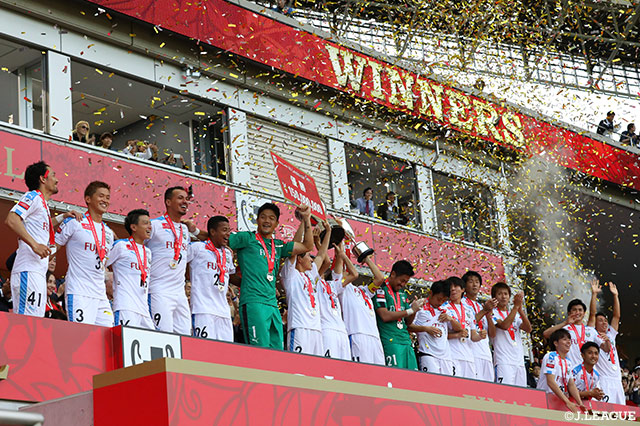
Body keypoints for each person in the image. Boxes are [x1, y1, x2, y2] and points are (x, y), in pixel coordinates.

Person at [228, 203, 314, 349]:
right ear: (257, 220)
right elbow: (219, 238)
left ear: (277, 224)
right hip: (253, 302)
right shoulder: (247, 238)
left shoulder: (278, 246)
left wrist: (306, 218)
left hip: (273, 306)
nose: (267, 221)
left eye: (271, 218)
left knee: (277, 353)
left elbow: (307, 246)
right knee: (259, 351)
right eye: (263, 217)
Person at [5, 161, 79, 317]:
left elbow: (40, 225)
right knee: (26, 323)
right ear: (43, 179)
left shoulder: (42, 203)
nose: (57, 180)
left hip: (37, 272)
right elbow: (12, 219)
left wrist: (63, 216)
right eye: (53, 175)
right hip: (28, 270)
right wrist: (35, 245)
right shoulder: (33, 196)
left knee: (35, 322)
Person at [56, 181, 115, 326]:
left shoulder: (108, 232)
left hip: (100, 295)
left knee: (107, 335)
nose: (105, 200)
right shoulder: (75, 222)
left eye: (107, 197)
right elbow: (52, 248)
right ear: (88, 199)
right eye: (101, 196)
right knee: (80, 335)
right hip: (79, 291)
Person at [146, 187, 199, 334]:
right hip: (159, 290)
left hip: (180, 293)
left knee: (185, 338)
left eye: (186, 199)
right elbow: (137, 245)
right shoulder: (154, 225)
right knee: (163, 336)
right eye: (180, 198)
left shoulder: (184, 230)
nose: (185, 202)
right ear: (168, 202)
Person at [280, 221, 330, 356]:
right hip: (299, 327)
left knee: (317, 366)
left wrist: (328, 233)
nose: (312, 260)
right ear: (299, 259)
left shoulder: (311, 274)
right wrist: (304, 220)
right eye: (308, 256)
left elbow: (321, 255)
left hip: (316, 330)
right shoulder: (291, 275)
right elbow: (294, 246)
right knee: (298, 366)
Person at [187, 216, 236, 342]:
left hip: (224, 312)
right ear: (213, 232)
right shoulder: (197, 248)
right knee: (204, 348)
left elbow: (231, 273)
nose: (228, 234)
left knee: (226, 351)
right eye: (224, 230)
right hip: (203, 309)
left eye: (229, 230)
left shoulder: (228, 254)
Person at [373, 260, 424, 370]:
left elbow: (408, 322)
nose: (403, 284)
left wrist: (415, 309)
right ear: (393, 274)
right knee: (395, 376)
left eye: (406, 282)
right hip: (390, 341)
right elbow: (385, 316)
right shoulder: (380, 289)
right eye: (402, 280)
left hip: (406, 341)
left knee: (411, 377)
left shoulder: (402, 294)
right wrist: (410, 310)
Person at [107, 209, 153, 329]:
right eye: (145, 223)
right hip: (126, 306)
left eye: (150, 223)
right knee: (125, 340)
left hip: (144, 309)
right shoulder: (121, 246)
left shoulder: (148, 252)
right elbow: (101, 264)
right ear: (133, 227)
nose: (150, 227)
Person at [339, 250, 385, 365]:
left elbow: (380, 278)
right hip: (357, 335)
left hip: (375, 337)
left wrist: (366, 259)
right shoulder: (342, 289)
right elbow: (353, 274)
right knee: (361, 371)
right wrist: (343, 256)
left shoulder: (365, 291)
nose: (347, 271)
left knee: (379, 372)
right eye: (344, 271)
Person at [542, 294, 611, 368]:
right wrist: (565, 323)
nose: (577, 312)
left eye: (580, 310)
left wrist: (607, 341)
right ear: (569, 313)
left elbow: (606, 349)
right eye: (574, 310)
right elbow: (546, 334)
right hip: (570, 370)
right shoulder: (565, 329)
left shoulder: (591, 330)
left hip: (587, 371)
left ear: (584, 313)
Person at [410, 279, 461, 375]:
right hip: (428, 354)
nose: (440, 302)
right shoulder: (419, 306)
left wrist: (451, 319)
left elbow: (459, 328)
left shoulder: (445, 310)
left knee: (447, 383)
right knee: (430, 383)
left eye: (444, 300)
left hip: (446, 357)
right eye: (439, 299)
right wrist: (426, 329)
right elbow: (408, 326)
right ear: (431, 293)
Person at [587, 281, 625, 405]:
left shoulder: (611, 335)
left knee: (620, 414)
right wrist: (594, 294)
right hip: (603, 380)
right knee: (603, 412)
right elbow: (592, 314)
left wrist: (616, 296)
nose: (604, 323)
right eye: (601, 321)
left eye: (605, 321)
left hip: (617, 380)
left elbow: (616, 316)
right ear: (595, 323)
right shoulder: (593, 335)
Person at [491, 282, 532, 386]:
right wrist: (515, 307)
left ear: (509, 296)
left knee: (520, 393)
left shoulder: (514, 314)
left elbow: (528, 329)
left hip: (519, 361)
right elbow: (504, 325)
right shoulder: (492, 313)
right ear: (494, 297)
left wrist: (520, 310)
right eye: (500, 294)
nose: (503, 297)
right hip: (503, 361)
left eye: (506, 294)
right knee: (504, 392)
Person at [537, 329, 585, 413]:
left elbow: (571, 384)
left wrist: (580, 403)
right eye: (564, 339)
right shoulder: (551, 356)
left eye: (569, 339)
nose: (568, 342)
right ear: (556, 343)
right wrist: (567, 402)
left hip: (559, 400)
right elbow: (550, 382)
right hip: (545, 399)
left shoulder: (568, 362)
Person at [462, 271, 497, 382]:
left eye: (477, 282)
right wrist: (485, 310)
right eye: (471, 281)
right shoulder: (462, 303)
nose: (474, 285)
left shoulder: (481, 306)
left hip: (485, 353)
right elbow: (467, 323)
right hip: (471, 352)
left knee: (488, 388)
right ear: (464, 286)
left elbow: (492, 334)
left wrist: (488, 315)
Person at [444, 276, 481, 378]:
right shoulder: (444, 308)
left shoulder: (469, 310)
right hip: (452, 355)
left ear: (463, 289)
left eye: (456, 286)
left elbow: (473, 336)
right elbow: (441, 335)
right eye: (450, 287)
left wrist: (481, 336)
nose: (452, 289)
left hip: (468, 356)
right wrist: (457, 335)